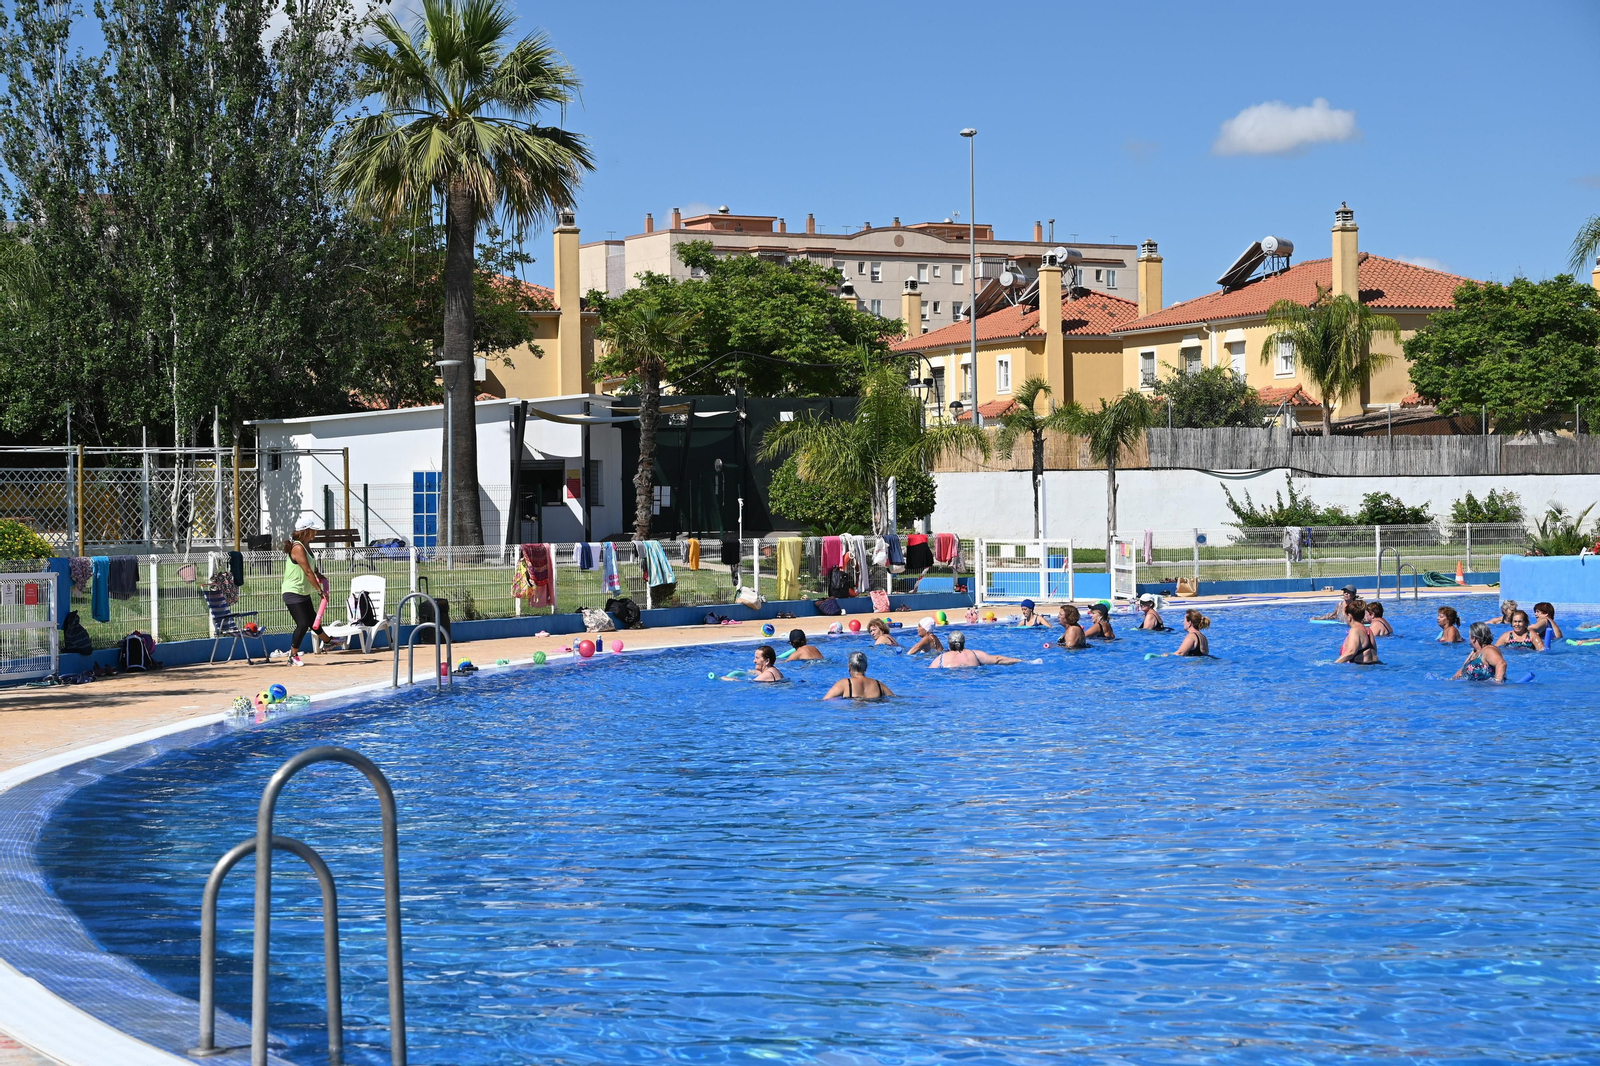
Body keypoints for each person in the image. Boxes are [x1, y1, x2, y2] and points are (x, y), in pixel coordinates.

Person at [281, 518, 339, 666]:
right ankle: (293, 656)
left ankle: (327, 642)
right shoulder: (298, 547)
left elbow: (312, 568)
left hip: (302, 591)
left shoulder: (306, 545)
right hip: (292, 591)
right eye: (314, 530)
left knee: (314, 620)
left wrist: (320, 575)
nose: (316, 532)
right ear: (306, 531)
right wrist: (320, 590)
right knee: (303, 624)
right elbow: (307, 571)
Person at [928, 630, 1021, 668]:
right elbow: (997, 659)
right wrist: (1021, 661)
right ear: (963, 642)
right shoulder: (975, 654)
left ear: (949, 644)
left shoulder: (941, 659)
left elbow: (929, 673)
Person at [824, 650, 895, 699]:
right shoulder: (878, 684)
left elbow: (826, 700)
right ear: (866, 666)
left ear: (849, 666)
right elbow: (894, 698)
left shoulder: (845, 683)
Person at [1335, 597, 1379, 664]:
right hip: (1374, 666)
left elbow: (1351, 652)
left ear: (1349, 617)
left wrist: (1334, 664)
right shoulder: (1368, 630)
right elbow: (1374, 652)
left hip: (1361, 671)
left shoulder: (1354, 630)